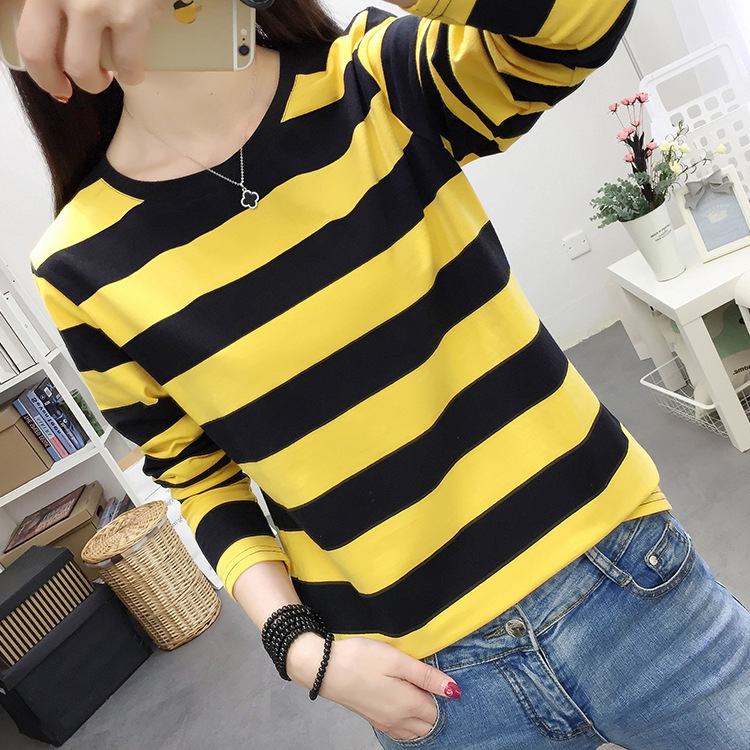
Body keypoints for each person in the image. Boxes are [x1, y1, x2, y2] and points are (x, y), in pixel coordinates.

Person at [8, 0, 750, 747]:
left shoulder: (371, 74)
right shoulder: (78, 263)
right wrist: (300, 651)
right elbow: (194, 473)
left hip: (624, 575)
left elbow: (578, 28)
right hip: (431, 684)